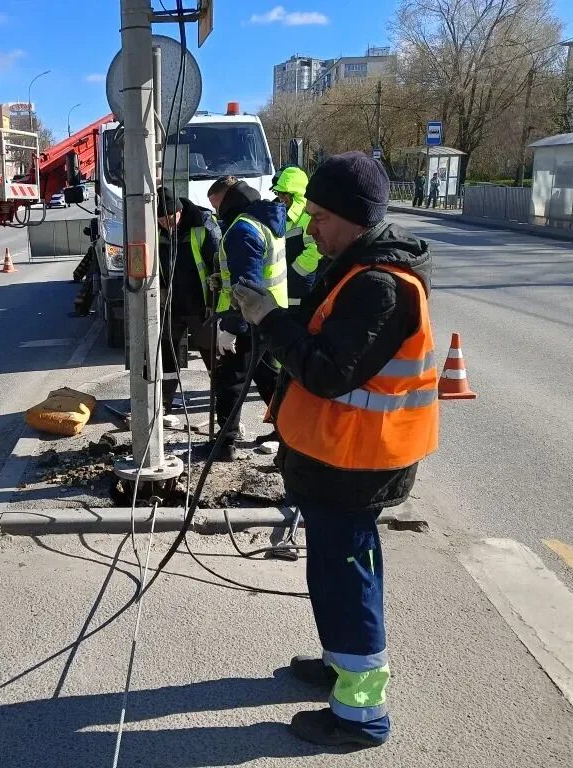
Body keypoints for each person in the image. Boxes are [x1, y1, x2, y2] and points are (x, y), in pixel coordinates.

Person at [231, 151, 438, 750]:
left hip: (358, 463)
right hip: (338, 458)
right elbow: (321, 334)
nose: (310, 227)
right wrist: (276, 317)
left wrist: (269, 319)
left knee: (347, 578)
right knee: (333, 571)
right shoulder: (353, 268)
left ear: (352, 217)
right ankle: (339, 663)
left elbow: (326, 371)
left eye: (320, 216)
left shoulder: (378, 286)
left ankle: (360, 715)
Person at [204, 176, 290, 460]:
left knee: (231, 380)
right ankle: (288, 433)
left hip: (249, 319)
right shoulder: (265, 220)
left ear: (227, 198)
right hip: (271, 314)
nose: (215, 211)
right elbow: (257, 270)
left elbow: (247, 285)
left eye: (216, 204)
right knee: (268, 378)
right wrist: (222, 278)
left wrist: (232, 327)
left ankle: (225, 443)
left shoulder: (242, 229)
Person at [156, 187, 221, 412]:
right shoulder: (156, 230)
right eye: (161, 220)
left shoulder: (203, 226)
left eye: (170, 218)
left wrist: (214, 304)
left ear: (180, 211)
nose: (166, 224)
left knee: (211, 352)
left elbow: (218, 266)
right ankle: (164, 403)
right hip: (171, 305)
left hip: (200, 304)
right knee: (168, 354)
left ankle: (222, 399)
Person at [270, 166, 324, 300]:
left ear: (296, 193)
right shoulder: (286, 215)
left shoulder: (307, 217)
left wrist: (292, 273)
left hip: (301, 285)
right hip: (287, 285)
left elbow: (314, 252)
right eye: (278, 193)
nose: (280, 197)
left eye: (284, 193)